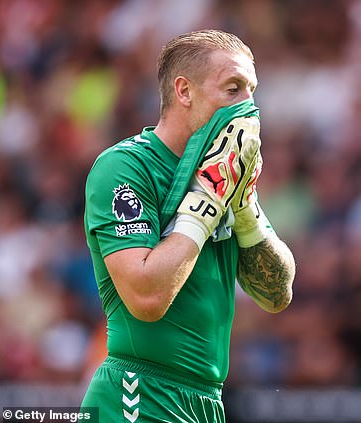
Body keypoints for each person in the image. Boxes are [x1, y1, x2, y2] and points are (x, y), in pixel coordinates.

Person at [80, 30, 295, 422]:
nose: (248, 106)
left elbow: (277, 295)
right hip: (138, 394)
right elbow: (147, 298)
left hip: (207, 401)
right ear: (184, 91)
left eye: (251, 90)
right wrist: (206, 203)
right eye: (233, 88)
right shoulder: (125, 167)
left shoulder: (224, 174)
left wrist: (244, 208)